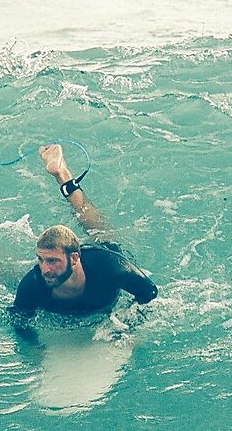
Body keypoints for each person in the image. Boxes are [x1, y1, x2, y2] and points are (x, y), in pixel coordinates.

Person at [8, 144, 158, 344]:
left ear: (74, 257)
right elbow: (18, 322)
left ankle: (62, 174)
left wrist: (126, 326)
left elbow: (148, 294)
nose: (45, 268)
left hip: (105, 251)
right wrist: (35, 349)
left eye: (53, 261)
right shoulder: (33, 285)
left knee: (94, 224)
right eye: (41, 260)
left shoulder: (113, 268)